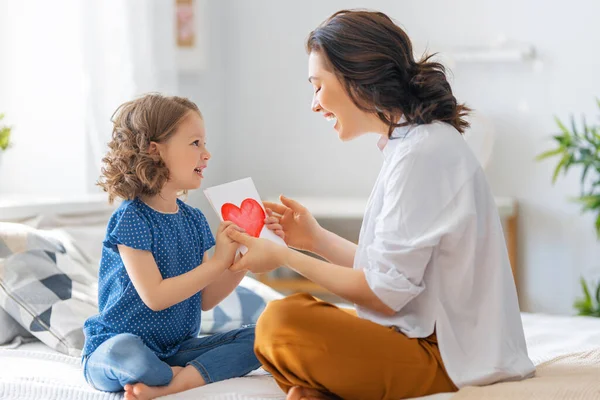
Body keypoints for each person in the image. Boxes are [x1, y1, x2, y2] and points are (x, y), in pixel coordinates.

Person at [226, 9, 535, 400]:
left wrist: (283, 258)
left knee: (280, 323)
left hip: (447, 357)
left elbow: (384, 296)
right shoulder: (413, 145)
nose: (314, 104)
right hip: (424, 336)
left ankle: (330, 386)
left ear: (357, 78)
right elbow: (390, 274)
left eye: (318, 86)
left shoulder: (422, 154)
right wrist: (315, 239)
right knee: (282, 329)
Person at [82, 94, 261, 400]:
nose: (207, 154)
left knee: (261, 339)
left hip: (176, 349)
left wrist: (242, 259)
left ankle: (175, 380)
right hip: (117, 345)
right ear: (155, 149)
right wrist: (217, 263)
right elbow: (155, 297)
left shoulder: (193, 219)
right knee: (128, 353)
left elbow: (206, 298)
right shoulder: (131, 218)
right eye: (195, 143)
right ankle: (177, 375)